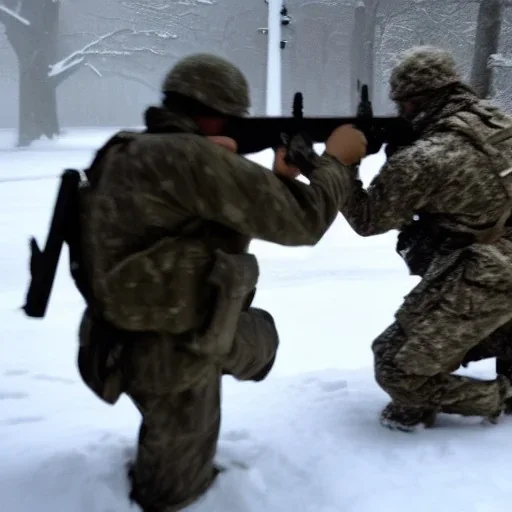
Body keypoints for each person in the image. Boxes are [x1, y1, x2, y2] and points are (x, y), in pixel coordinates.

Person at [76, 52, 366, 511]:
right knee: (173, 493)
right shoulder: (190, 157)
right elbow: (304, 223)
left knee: (255, 337)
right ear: (215, 116)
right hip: (174, 349)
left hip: (125, 332)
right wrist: (336, 161)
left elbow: (209, 214)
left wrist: (277, 178)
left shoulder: (128, 148)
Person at [338, 45, 512, 432]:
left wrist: (343, 166)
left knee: (394, 366)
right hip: (499, 261)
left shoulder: (426, 158)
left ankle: (498, 396)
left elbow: (367, 219)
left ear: (414, 103)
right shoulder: (499, 123)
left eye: (402, 106)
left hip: (487, 276)